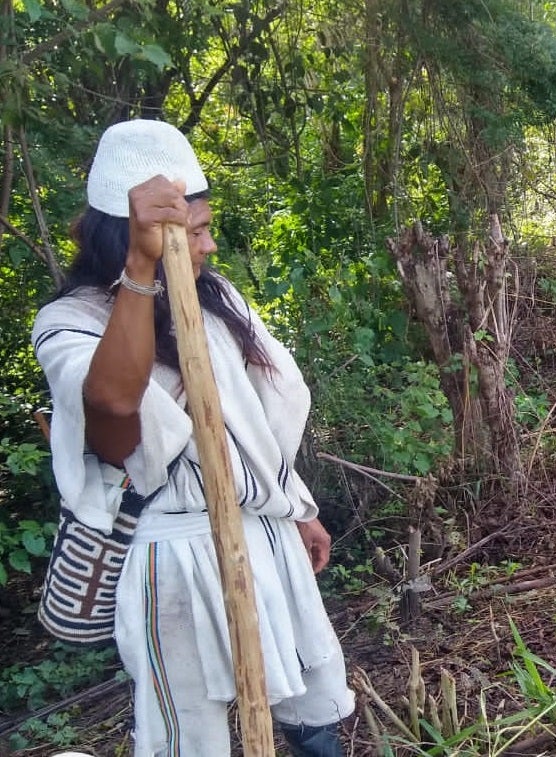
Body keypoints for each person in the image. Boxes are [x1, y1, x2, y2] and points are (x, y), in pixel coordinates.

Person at [31, 120, 353, 755]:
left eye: (205, 228)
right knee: (190, 728)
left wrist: (296, 508)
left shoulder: (218, 299)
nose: (207, 246)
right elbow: (113, 410)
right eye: (195, 233)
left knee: (309, 699)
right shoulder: (69, 323)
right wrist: (142, 270)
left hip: (261, 533)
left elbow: (252, 426)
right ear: (135, 238)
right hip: (171, 557)